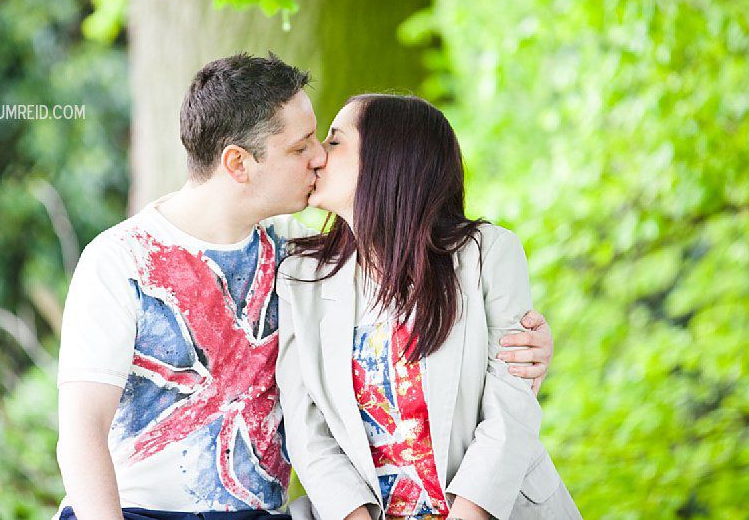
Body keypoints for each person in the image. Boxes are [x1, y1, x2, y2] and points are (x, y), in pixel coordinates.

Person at [55, 54, 555, 520]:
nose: (317, 157)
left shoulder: (294, 255)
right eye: (301, 147)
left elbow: (409, 295)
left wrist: (527, 344)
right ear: (238, 164)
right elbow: (81, 430)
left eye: (323, 139)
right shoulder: (121, 259)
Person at [276, 94, 579, 520]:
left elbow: (511, 408)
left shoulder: (487, 254)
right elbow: (307, 430)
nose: (319, 156)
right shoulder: (300, 278)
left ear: (389, 159)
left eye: (336, 141)